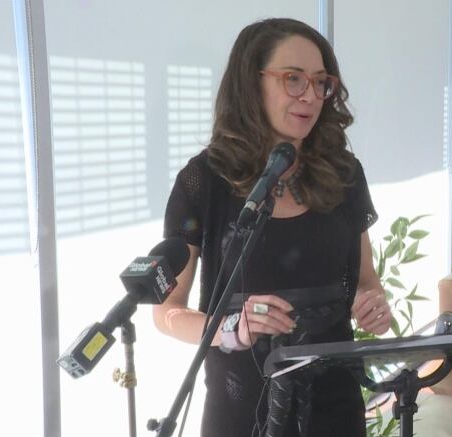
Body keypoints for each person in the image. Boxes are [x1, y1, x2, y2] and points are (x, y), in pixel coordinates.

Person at [153, 18, 392, 437]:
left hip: (334, 402)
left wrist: (373, 303)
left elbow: (366, 281)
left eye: (321, 82)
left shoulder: (345, 174)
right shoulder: (204, 180)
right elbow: (166, 312)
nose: (310, 96)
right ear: (252, 83)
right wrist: (230, 328)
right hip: (241, 403)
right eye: (293, 79)